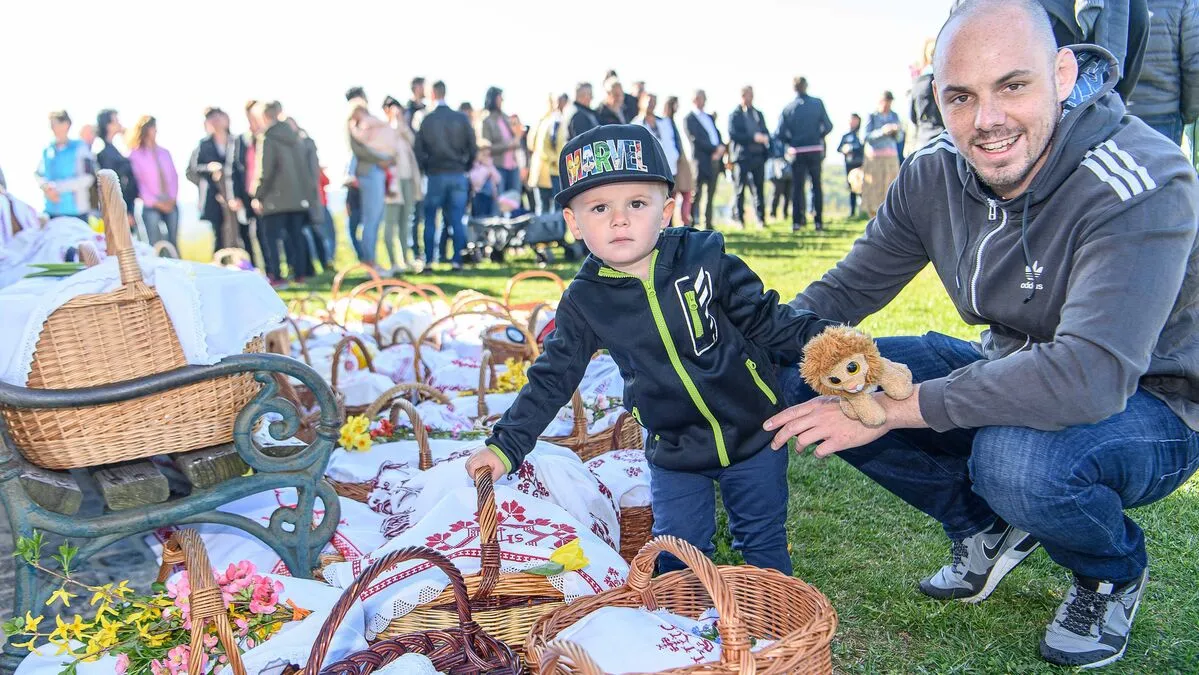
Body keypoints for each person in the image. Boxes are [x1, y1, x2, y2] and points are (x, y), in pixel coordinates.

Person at [768, 0, 1198, 667]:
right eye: (960, 97)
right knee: (801, 369)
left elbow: (1087, 377)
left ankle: (1110, 569)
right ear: (935, 97)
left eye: (1012, 86)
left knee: (1014, 460)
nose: (986, 121)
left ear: (1061, 72)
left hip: (1149, 400)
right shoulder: (934, 171)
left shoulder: (1138, 176)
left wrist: (888, 409)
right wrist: (733, 340)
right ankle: (983, 525)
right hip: (1009, 362)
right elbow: (843, 294)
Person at [465, 124, 835, 575]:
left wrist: (829, 343)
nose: (619, 220)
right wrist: (505, 446)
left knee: (761, 536)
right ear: (573, 223)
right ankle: (680, 633)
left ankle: (778, 622)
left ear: (667, 209)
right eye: (599, 208)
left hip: (755, 431)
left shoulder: (706, 256)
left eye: (637, 204)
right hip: (676, 450)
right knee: (678, 551)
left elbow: (767, 318)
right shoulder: (586, 299)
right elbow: (552, 377)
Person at [414, 80, 476, 272]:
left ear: (432, 94)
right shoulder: (460, 118)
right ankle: (457, 259)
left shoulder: (427, 119)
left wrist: (427, 168)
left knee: (430, 219)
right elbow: (472, 146)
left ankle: (429, 261)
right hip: (457, 173)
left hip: (435, 175)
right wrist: (465, 166)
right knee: (457, 219)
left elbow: (418, 150)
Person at [251, 101, 313, 286]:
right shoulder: (296, 137)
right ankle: (300, 274)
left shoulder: (268, 138)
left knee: (271, 238)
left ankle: (276, 276)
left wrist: (257, 194)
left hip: (275, 198)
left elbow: (266, 170)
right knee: (296, 237)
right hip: (297, 197)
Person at [1126, 0, 1199, 145]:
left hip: (1119, 114)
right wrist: (1187, 114)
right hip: (1164, 115)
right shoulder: (1184, 3)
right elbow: (1194, 67)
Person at [187, 107, 250, 253]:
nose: (216, 122)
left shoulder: (237, 141)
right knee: (220, 235)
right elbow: (192, 170)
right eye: (212, 119)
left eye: (218, 118)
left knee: (244, 233)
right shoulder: (203, 145)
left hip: (238, 195)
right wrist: (210, 169)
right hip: (215, 197)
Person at [776, 76, 834, 231]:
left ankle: (797, 221)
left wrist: (791, 141)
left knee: (797, 187)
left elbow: (779, 133)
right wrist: (817, 135)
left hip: (797, 151)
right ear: (806, 86)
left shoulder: (788, 108)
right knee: (816, 186)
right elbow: (828, 126)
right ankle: (818, 222)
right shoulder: (817, 103)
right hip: (815, 149)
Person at [346, 91, 391, 270]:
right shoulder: (354, 130)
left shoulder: (363, 128)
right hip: (369, 174)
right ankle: (369, 261)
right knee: (370, 219)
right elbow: (361, 151)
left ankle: (370, 259)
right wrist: (381, 158)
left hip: (373, 173)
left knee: (374, 219)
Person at [382, 95, 421, 275]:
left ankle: (406, 259)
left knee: (405, 221)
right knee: (391, 223)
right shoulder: (383, 130)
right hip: (392, 183)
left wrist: (401, 124)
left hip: (407, 180)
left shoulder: (403, 132)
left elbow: (413, 141)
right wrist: (393, 122)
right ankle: (392, 262)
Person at [128, 115, 179, 247]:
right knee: (154, 243)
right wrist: (156, 203)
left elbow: (174, 177)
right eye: (153, 127)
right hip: (150, 205)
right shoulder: (135, 155)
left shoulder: (164, 153)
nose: (156, 131)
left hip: (170, 202)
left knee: (173, 242)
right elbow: (138, 183)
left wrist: (172, 199)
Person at [36, 110, 96, 220]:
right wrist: (46, 187)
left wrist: (57, 187)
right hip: (51, 212)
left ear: (67, 125)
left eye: (56, 124)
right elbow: (39, 174)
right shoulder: (47, 150)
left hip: (76, 213)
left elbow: (88, 177)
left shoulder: (80, 147)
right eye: (51, 124)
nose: (53, 128)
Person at [727, 86, 771, 226]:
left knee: (759, 189)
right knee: (740, 189)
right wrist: (753, 137)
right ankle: (739, 218)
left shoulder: (758, 114)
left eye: (751, 95)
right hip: (742, 157)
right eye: (747, 95)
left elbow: (765, 130)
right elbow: (733, 134)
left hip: (758, 156)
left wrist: (764, 138)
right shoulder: (735, 115)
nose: (750, 98)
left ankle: (760, 218)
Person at [685, 90, 725, 230]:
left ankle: (708, 223)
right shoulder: (689, 118)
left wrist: (720, 149)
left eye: (702, 98)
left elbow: (717, 135)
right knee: (697, 194)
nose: (700, 101)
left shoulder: (709, 117)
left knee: (711, 194)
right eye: (697, 98)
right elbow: (696, 139)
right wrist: (714, 149)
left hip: (715, 160)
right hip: (701, 161)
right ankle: (692, 224)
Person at [860, 91, 903, 218]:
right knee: (874, 189)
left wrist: (895, 131)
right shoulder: (871, 116)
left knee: (890, 188)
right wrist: (883, 132)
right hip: (874, 159)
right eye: (885, 102)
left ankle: (890, 216)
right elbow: (865, 137)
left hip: (891, 158)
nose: (887, 106)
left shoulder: (894, 115)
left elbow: (899, 138)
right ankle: (873, 216)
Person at [528, 94, 568, 214]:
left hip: (542, 171)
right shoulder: (552, 121)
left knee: (544, 208)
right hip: (549, 170)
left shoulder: (541, 121)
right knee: (549, 209)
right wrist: (558, 160)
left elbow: (531, 144)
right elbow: (542, 147)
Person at [95, 108, 138, 218]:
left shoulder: (115, 147)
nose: (120, 123)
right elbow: (112, 184)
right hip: (118, 209)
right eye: (116, 120)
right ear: (108, 125)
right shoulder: (103, 151)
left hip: (125, 206)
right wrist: (126, 211)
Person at [480, 87, 523, 194]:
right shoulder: (487, 121)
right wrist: (509, 145)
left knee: (514, 201)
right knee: (500, 203)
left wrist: (518, 136)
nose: (502, 100)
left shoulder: (506, 118)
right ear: (494, 99)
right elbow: (487, 148)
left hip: (513, 167)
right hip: (498, 168)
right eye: (500, 97)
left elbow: (516, 141)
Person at [910, 38, 946, 150]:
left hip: (922, 140)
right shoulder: (943, 81)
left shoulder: (917, 83)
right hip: (943, 139)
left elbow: (912, 116)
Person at [836, 114, 865, 219]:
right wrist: (844, 149)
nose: (853, 122)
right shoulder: (846, 136)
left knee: (862, 188)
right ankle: (852, 212)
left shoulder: (861, 135)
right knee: (851, 188)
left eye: (855, 120)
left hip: (861, 164)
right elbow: (838, 148)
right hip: (849, 164)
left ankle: (863, 211)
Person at [468, 141, 501, 218]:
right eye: (483, 154)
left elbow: (498, 179)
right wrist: (485, 169)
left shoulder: (489, 165)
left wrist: (489, 167)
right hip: (479, 195)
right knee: (480, 217)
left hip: (491, 195)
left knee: (490, 216)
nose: (486, 157)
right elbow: (477, 182)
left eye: (488, 155)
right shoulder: (474, 166)